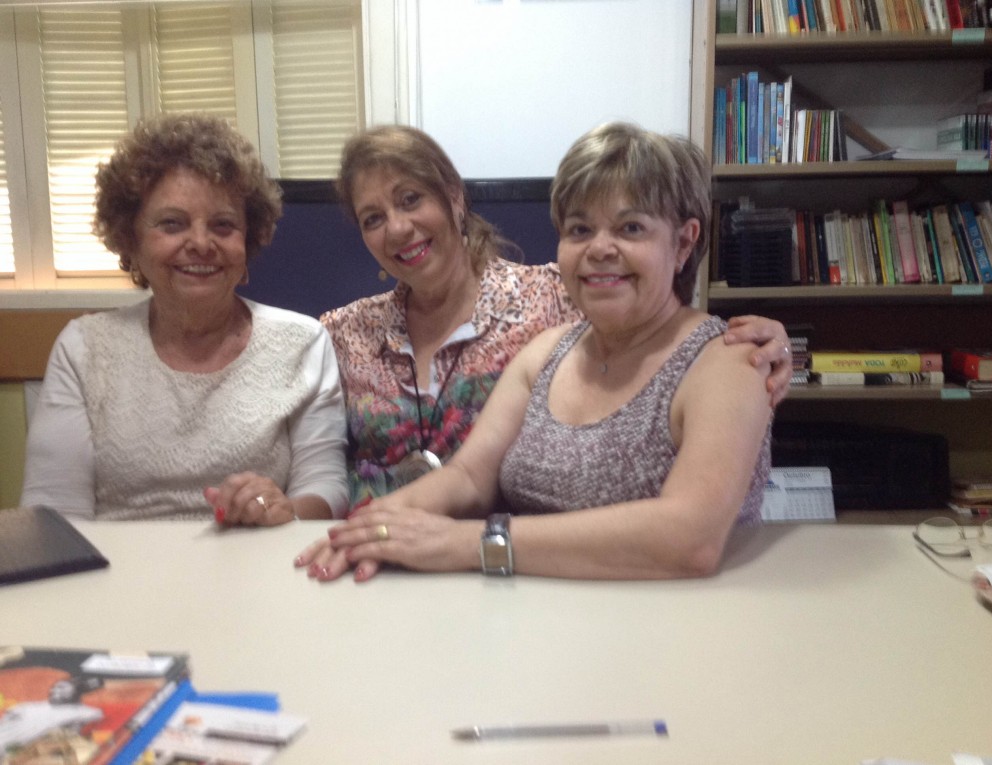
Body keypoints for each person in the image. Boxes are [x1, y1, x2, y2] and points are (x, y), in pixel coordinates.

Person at [296, 122, 773, 581]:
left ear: (684, 242)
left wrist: (467, 543)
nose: (600, 249)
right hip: (527, 624)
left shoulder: (727, 359)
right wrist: (368, 531)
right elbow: (467, 477)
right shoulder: (547, 352)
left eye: (630, 228)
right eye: (580, 230)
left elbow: (689, 538)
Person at [20, 113, 348, 524]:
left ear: (248, 240)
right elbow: (52, 514)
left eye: (223, 225)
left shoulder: (303, 343)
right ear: (131, 240)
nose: (200, 243)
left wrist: (283, 511)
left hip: (259, 571)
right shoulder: (84, 348)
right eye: (172, 224)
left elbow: (328, 488)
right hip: (116, 580)